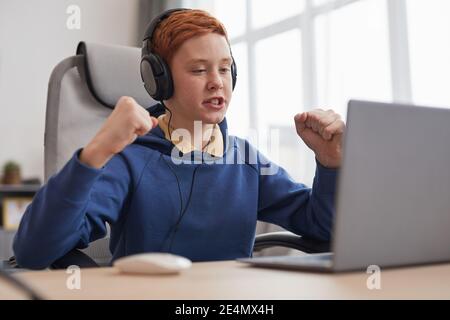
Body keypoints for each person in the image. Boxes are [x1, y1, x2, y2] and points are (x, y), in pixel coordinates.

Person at [13, 8, 345, 269]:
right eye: (199, 70)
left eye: (225, 68)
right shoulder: (132, 159)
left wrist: (330, 164)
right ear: (158, 80)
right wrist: (98, 149)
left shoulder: (246, 160)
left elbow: (325, 229)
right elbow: (35, 250)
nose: (217, 82)